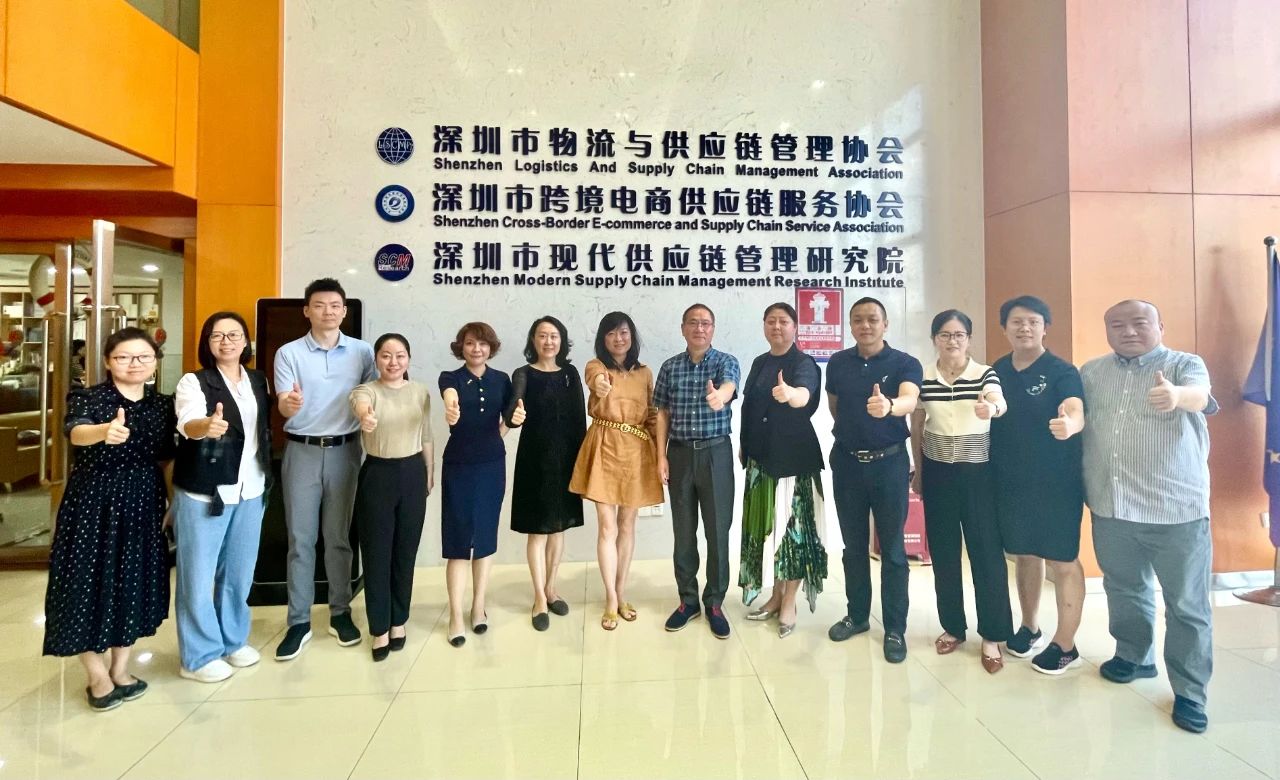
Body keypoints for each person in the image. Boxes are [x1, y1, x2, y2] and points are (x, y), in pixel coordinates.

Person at [1081, 299, 1217, 734]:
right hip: (1112, 506)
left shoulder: (1183, 364)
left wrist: (1176, 396)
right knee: (1124, 588)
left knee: (1187, 605)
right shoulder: (1092, 372)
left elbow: (1199, 396)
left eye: (1140, 323)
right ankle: (1134, 656)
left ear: (1160, 326)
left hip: (1175, 511)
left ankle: (1190, 692)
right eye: (1117, 324)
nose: (1128, 331)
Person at [42, 327, 176, 711]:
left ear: (155, 362)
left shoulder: (162, 404)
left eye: (143, 357)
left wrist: (171, 504)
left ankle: (120, 668)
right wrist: (105, 431)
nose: (134, 364)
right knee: (83, 585)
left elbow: (166, 458)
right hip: (93, 502)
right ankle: (96, 676)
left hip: (143, 502)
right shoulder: (88, 397)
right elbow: (76, 433)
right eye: (123, 357)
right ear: (107, 361)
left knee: (132, 582)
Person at [273, 278, 376, 661]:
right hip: (301, 451)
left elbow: (372, 395)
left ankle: (340, 612)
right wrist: (289, 404)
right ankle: (298, 621)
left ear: (344, 311)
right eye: (319, 305)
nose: (327, 312)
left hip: (346, 451)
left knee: (338, 538)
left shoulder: (362, 352)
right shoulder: (289, 353)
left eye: (335, 305)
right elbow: (284, 402)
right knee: (300, 540)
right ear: (307, 310)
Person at [909, 309, 1013, 673]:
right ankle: (953, 626)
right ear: (934, 339)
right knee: (944, 553)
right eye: (945, 335)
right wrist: (919, 471)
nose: (952, 341)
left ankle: (993, 634)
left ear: (969, 339)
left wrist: (991, 408)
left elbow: (999, 401)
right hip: (937, 473)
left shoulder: (984, 373)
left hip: (977, 475)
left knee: (986, 554)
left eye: (959, 335)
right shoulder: (923, 376)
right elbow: (917, 423)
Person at [989, 295, 1087, 675]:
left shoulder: (1062, 371)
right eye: (1016, 322)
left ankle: (1065, 645)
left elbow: (1075, 409)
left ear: (1046, 328)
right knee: (1025, 555)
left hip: (1056, 484)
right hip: (1011, 482)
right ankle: (1029, 627)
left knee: (1062, 560)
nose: (1025, 328)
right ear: (1005, 328)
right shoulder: (997, 370)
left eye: (1033, 321)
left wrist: (1070, 425)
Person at [172, 312, 272, 682]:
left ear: (246, 341)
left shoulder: (258, 380)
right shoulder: (194, 381)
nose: (226, 341)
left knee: (239, 572)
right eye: (218, 335)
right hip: (206, 491)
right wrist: (206, 426)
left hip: (251, 487)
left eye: (234, 334)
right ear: (207, 342)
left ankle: (232, 641)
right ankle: (198, 656)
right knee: (198, 576)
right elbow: (188, 422)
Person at [825, 297, 922, 663]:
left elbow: (910, 399)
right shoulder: (838, 362)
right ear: (850, 325)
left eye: (872, 319)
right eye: (858, 320)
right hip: (848, 463)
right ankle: (858, 616)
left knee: (893, 549)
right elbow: (835, 407)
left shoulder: (904, 363)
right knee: (853, 547)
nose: (865, 325)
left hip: (889, 464)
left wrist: (890, 406)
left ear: (885, 324)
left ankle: (895, 628)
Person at [569, 312, 664, 631]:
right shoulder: (596, 366)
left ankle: (621, 593)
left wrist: (659, 455)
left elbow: (652, 415)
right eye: (611, 333)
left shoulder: (645, 372)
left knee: (627, 525)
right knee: (607, 527)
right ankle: (611, 598)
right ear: (603, 339)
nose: (618, 338)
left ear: (631, 336)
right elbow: (594, 379)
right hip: (604, 446)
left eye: (623, 332)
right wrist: (599, 384)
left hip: (637, 451)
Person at [738, 303, 827, 639]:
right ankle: (775, 596)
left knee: (794, 533)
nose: (777, 326)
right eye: (771, 321)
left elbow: (804, 394)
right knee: (770, 530)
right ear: (764, 326)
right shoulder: (760, 362)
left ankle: (789, 601)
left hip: (793, 460)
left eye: (784, 321)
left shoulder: (803, 363)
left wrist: (791, 394)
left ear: (795, 327)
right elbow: (750, 406)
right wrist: (744, 444)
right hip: (760, 459)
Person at [653, 303, 741, 639]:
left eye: (705, 323)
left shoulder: (725, 361)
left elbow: (729, 386)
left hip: (715, 454)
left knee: (717, 531)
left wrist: (721, 397)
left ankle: (715, 602)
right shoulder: (670, 367)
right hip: (678, 455)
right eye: (693, 322)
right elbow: (662, 412)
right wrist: (660, 456)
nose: (699, 328)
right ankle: (687, 601)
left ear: (713, 329)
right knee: (684, 531)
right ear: (683, 328)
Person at [350, 333, 434, 661]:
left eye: (400, 355)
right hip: (378, 475)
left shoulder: (420, 392)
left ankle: (399, 621)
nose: (393, 361)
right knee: (376, 554)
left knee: (405, 552)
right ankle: (380, 628)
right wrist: (366, 416)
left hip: (413, 473)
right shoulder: (367, 390)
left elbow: (426, 434)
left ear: (408, 359)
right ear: (377, 359)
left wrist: (429, 470)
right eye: (386, 355)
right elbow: (361, 406)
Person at [439, 322, 520, 646]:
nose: (477, 349)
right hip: (458, 464)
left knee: (485, 537)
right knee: (458, 539)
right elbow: (449, 396)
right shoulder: (451, 378)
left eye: (483, 344)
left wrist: (508, 426)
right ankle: (455, 615)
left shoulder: (502, 380)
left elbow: (512, 415)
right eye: (470, 343)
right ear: (461, 346)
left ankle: (478, 607)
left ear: (491, 347)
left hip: (492, 465)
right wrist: (451, 408)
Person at [504, 316, 586, 631]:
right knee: (537, 531)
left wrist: (582, 463)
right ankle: (539, 598)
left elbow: (579, 418)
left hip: (566, 460)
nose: (548, 341)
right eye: (542, 335)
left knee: (558, 529)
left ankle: (551, 589)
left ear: (561, 341)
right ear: (533, 340)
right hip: (535, 460)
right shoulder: (523, 373)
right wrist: (514, 416)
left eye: (554, 336)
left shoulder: (570, 374)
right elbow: (513, 408)